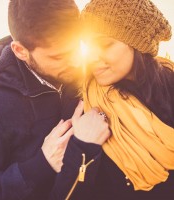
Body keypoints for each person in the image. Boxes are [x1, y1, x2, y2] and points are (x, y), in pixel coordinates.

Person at [0, 0, 110, 199]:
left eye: (77, 47)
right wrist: (42, 164)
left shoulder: (93, 79)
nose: (76, 61)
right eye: (59, 57)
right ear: (20, 51)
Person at [64, 0, 174, 199]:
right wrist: (82, 147)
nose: (92, 56)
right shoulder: (81, 106)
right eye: (87, 46)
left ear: (137, 44)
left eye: (105, 44)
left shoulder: (170, 87)